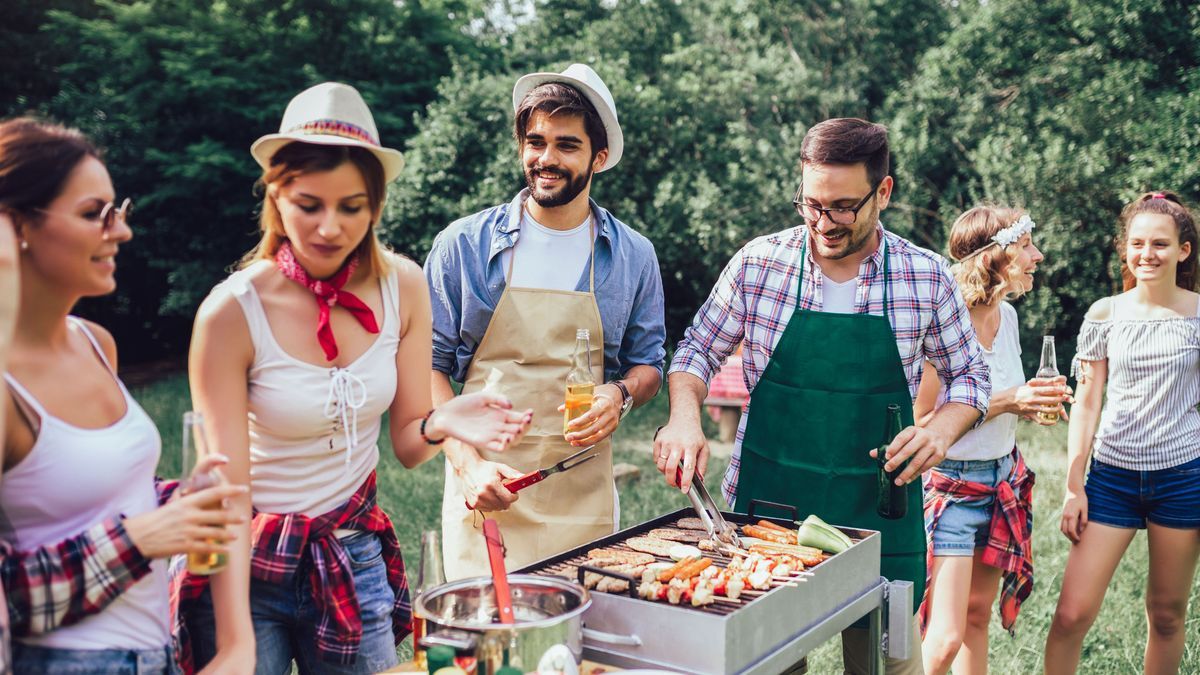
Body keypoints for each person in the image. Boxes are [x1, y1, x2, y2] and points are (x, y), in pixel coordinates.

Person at [184, 82, 531, 674]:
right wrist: (236, 640)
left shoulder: (405, 287)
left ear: (375, 204)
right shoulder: (230, 313)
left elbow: (406, 445)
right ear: (276, 197)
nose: (329, 228)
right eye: (308, 204)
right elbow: (225, 495)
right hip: (251, 566)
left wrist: (444, 421)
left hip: (351, 558)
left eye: (351, 207)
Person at [655, 117, 990, 675]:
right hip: (768, 510)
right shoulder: (759, 264)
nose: (823, 222)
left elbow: (971, 380)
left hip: (880, 510)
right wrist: (684, 419)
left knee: (884, 666)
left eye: (842, 207)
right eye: (810, 204)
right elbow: (695, 353)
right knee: (771, 664)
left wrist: (937, 431)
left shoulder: (926, 276)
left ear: (883, 192)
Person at [0, 117, 248, 674]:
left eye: (118, 210)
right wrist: (140, 538)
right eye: (94, 214)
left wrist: (176, 503)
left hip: (155, 652)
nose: (121, 232)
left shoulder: (95, 344)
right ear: (14, 225)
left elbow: (89, 499)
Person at [425, 63, 666, 579]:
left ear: (599, 157)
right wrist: (468, 467)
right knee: (491, 654)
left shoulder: (633, 256)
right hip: (487, 489)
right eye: (535, 142)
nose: (546, 159)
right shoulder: (463, 247)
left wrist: (620, 395)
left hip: (583, 496)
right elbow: (425, 369)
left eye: (566, 145)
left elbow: (649, 367)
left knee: (580, 655)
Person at [1043, 191, 1200, 675]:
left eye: (1159, 244)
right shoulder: (1105, 314)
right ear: (1124, 248)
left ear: (1183, 251)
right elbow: (1088, 402)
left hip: (1183, 479)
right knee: (1071, 615)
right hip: (1111, 479)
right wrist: (1074, 487)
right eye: (1137, 243)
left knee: (1168, 616)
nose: (1146, 254)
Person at [913, 206, 1068, 675]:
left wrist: (1033, 402)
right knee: (943, 640)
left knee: (977, 618)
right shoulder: (946, 322)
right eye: (1025, 246)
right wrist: (1007, 401)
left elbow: (1009, 397)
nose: (1037, 256)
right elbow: (923, 422)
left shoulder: (1009, 319)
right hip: (953, 490)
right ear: (992, 258)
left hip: (1003, 481)